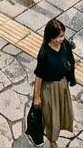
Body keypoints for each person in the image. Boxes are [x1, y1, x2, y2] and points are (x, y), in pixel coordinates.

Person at [32, 18, 76, 148]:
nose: (61, 39)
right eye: (58, 36)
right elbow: (39, 76)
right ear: (51, 37)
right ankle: (52, 142)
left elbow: (70, 61)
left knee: (62, 113)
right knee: (51, 116)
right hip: (49, 89)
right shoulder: (44, 53)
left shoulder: (65, 45)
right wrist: (37, 97)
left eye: (62, 35)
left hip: (62, 85)